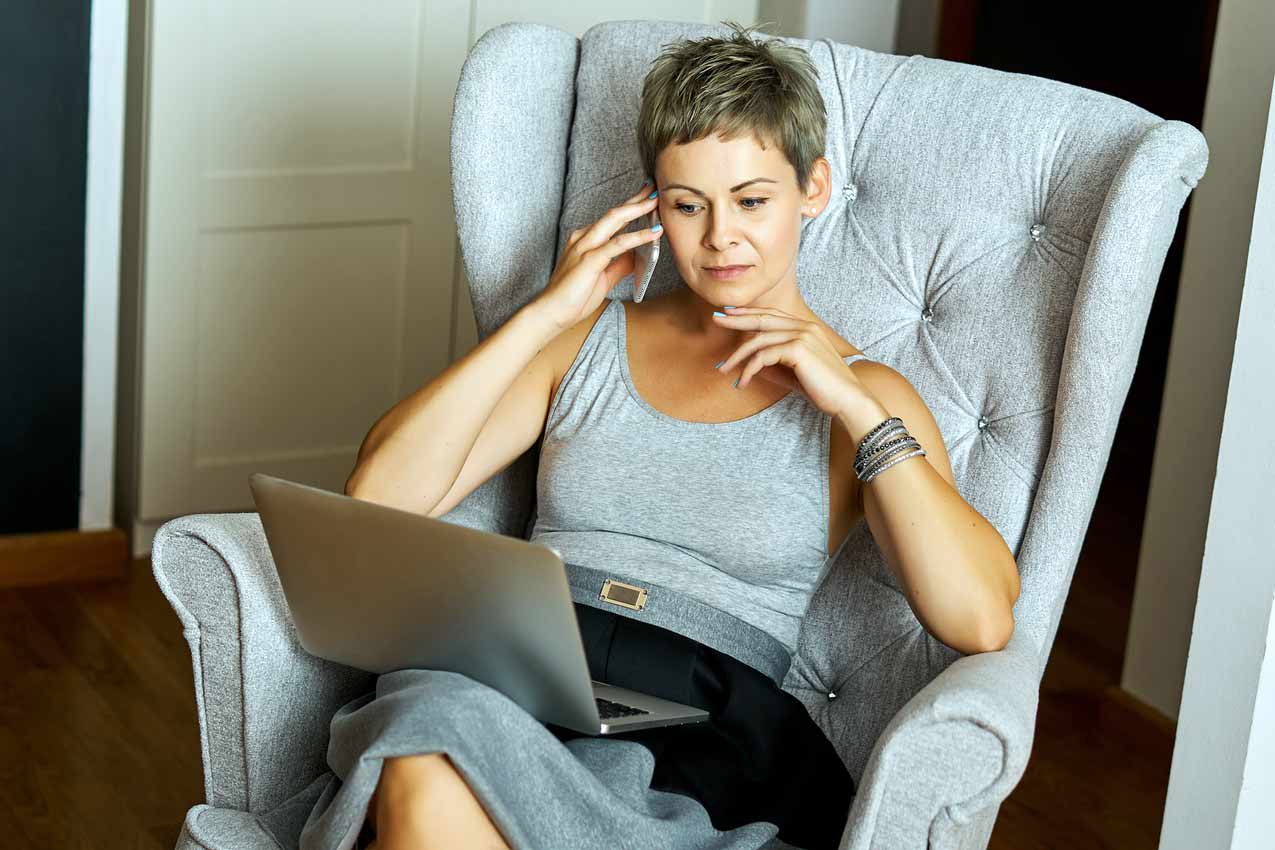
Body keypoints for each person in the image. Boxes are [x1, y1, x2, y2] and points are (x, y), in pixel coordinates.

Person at [309, 20, 1021, 850]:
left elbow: (978, 621)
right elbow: (379, 497)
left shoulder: (863, 396)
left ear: (813, 187)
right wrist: (546, 311)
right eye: (687, 204)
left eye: (752, 200)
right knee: (423, 753)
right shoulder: (583, 343)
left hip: (705, 733)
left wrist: (856, 407)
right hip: (517, 678)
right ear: (653, 203)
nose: (720, 237)